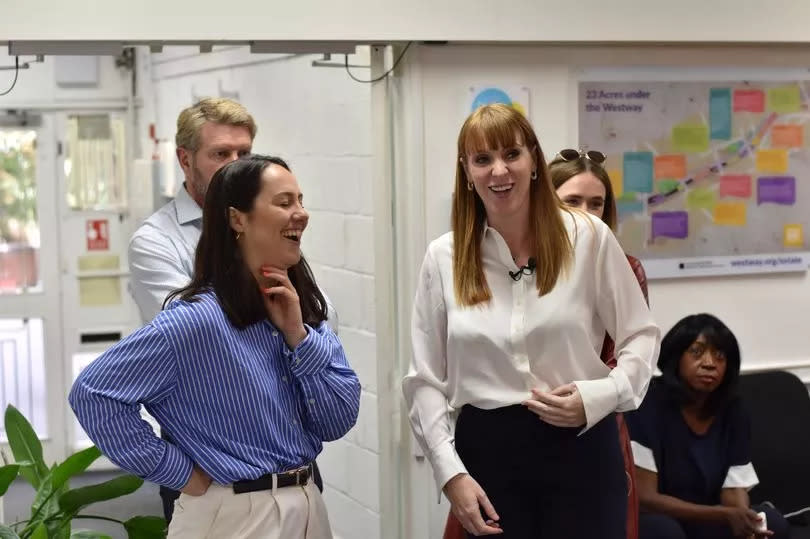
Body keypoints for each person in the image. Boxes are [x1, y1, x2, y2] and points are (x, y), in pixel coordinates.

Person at [403, 103, 661, 538]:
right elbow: (424, 379)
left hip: (581, 449)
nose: (498, 171)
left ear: (535, 161)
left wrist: (602, 394)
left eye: (511, 154)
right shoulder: (443, 257)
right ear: (467, 172)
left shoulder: (588, 237)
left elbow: (641, 335)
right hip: (488, 459)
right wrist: (450, 473)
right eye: (482, 159)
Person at [71, 155, 360, 539]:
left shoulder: (304, 309)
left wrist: (297, 336)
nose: (301, 214)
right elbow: (93, 392)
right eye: (284, 202)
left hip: (307, 504)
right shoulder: (195, 321)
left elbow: (337, 419)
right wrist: (180, 473)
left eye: (301, 201)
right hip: (234, 516)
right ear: (237, 219)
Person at [127, 98, 331, 520]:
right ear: (185, 160)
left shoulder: (271, 226)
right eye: (221, 154)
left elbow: (310, 319)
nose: (235, 164)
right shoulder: (156, 242)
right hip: (210, 466)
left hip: (288, 457)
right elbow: (208, 334)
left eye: (244, 153)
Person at [551, 148, 649, 539]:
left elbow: (630, 355)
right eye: (572, 201)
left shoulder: (624, 267)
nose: (586, 214)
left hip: (594, 423)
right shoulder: (516, 262)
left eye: (597, 204)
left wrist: (590, 399)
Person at [626, 314, 790, 539]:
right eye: (697, 352)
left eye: (720, 356)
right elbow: (644, 498)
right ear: (676, 356)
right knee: (664, 532)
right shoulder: (648, 404)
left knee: (771, 522)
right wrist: (723, 515)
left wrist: (743, 519)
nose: (710, 363)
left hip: (713, 517)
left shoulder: (733, 409)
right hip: (664, 518)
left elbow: (733, 491)